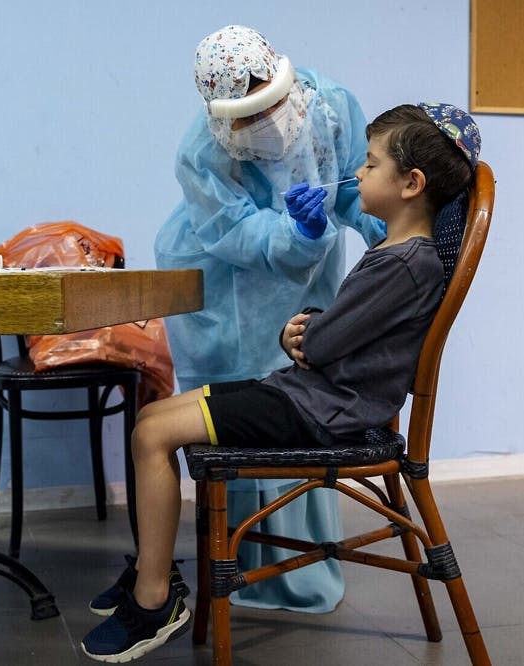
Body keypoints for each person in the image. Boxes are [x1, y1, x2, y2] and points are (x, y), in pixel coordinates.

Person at [80, 101, 482, 662]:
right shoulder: (401, 255)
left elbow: (322, 344)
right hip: (308, 396)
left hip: (321, 411)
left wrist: (306, 335)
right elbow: (334, 334)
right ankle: (154, 573)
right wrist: (309, 333)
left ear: (411, 183)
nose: (357, 173)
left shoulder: (405, 263)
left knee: (152, 435)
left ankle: (155, 599)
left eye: (369, 165)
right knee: (152, 419)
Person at [152, 24, 386, 613]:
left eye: (278, 101)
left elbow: (360, 184)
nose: (274, 119)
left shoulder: (331, 106)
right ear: (223, 119)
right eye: (253, 114)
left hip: (303, 275)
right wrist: (297, 232)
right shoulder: (203, 152)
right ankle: (234, 560)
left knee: (297, 392)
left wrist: (383, 230)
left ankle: (294, 566)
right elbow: (237, 231)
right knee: (230, 405)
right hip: (219, 281)